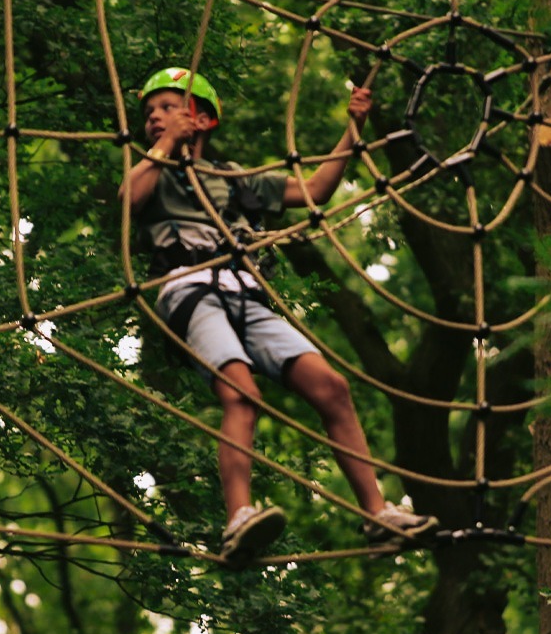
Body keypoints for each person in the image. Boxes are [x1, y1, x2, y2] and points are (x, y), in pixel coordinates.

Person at [119, 67, 439, 562]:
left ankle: (378, 515)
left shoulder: (235, 180)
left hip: (245, 294)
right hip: (189, 291)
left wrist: (353, 128)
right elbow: (128, 201)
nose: (154, 118)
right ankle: (238, 519)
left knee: (332, 387)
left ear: (202, 119)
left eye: (167, 107)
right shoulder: (152, 173)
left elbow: (316, 190)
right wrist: (164, 148)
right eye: (149, 113)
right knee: (241, 393)